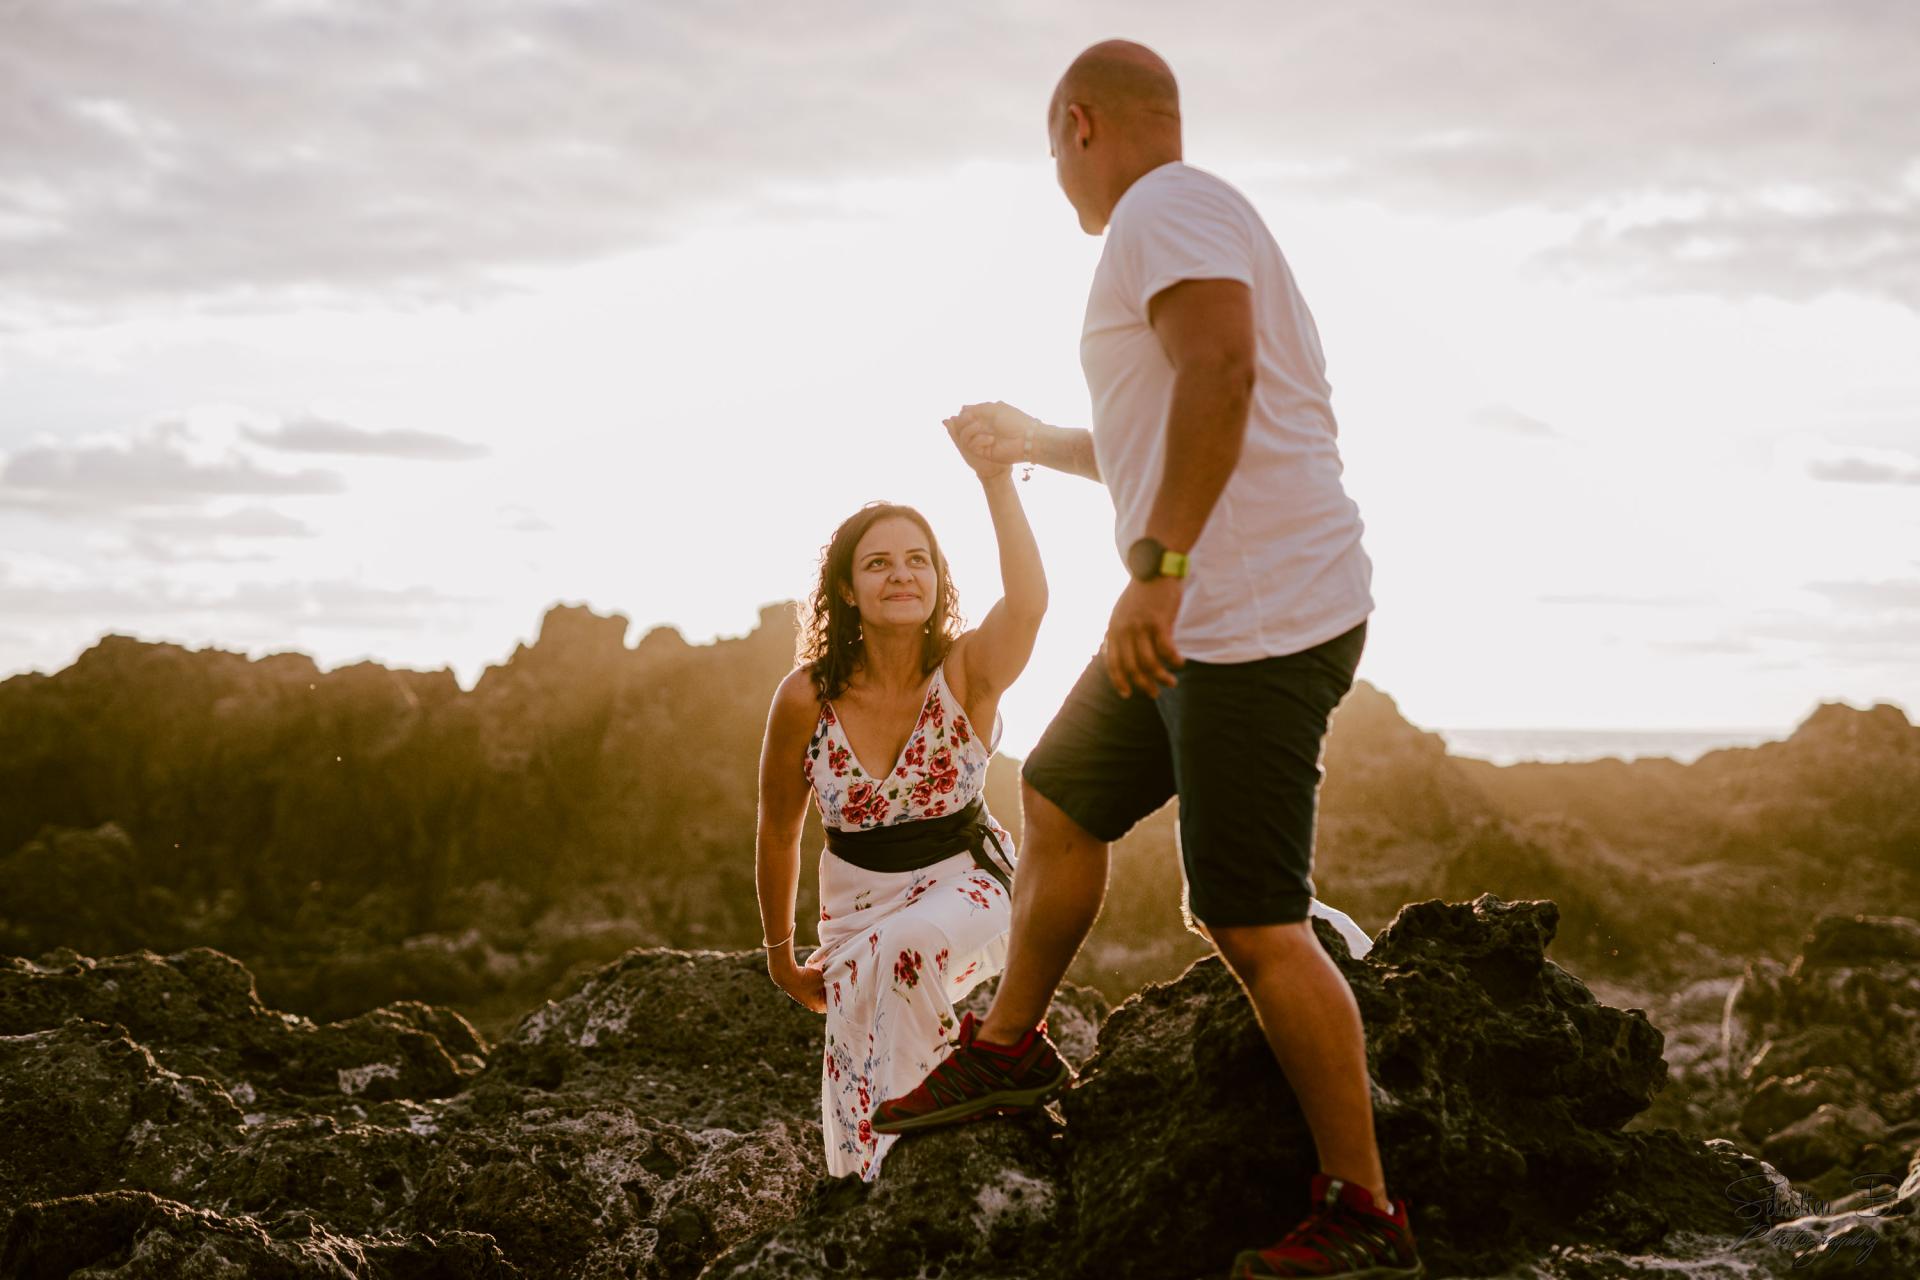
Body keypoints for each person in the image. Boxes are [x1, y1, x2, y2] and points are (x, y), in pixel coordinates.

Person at [869, 40, 1425, 1280]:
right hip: (1204, 614)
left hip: (1247, 624)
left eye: (1050, 151)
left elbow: (1222, 371)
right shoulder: (1181, 222)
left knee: (1249, 913)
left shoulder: (1167, 206)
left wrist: (1154, 572)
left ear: (1078, 124)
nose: (1056, 181)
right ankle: (1014, 1045)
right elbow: (1166, 413)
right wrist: (1032, 441)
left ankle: (1367, 1215)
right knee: (1061, 787)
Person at [752, 415, 1049, 1182]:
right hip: (854, 913)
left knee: (904, 953)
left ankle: (944, 1142)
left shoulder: (967, 673)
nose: (901, 575)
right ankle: (881, 1183)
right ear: (847, 590)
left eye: (918, 561)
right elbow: (779, 828)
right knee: (859, 1047)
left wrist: (993, 481)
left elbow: (1029, 603)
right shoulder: (804, 698)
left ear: (939, 581)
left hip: (969, 883)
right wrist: (782, 957)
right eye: (879, 563)